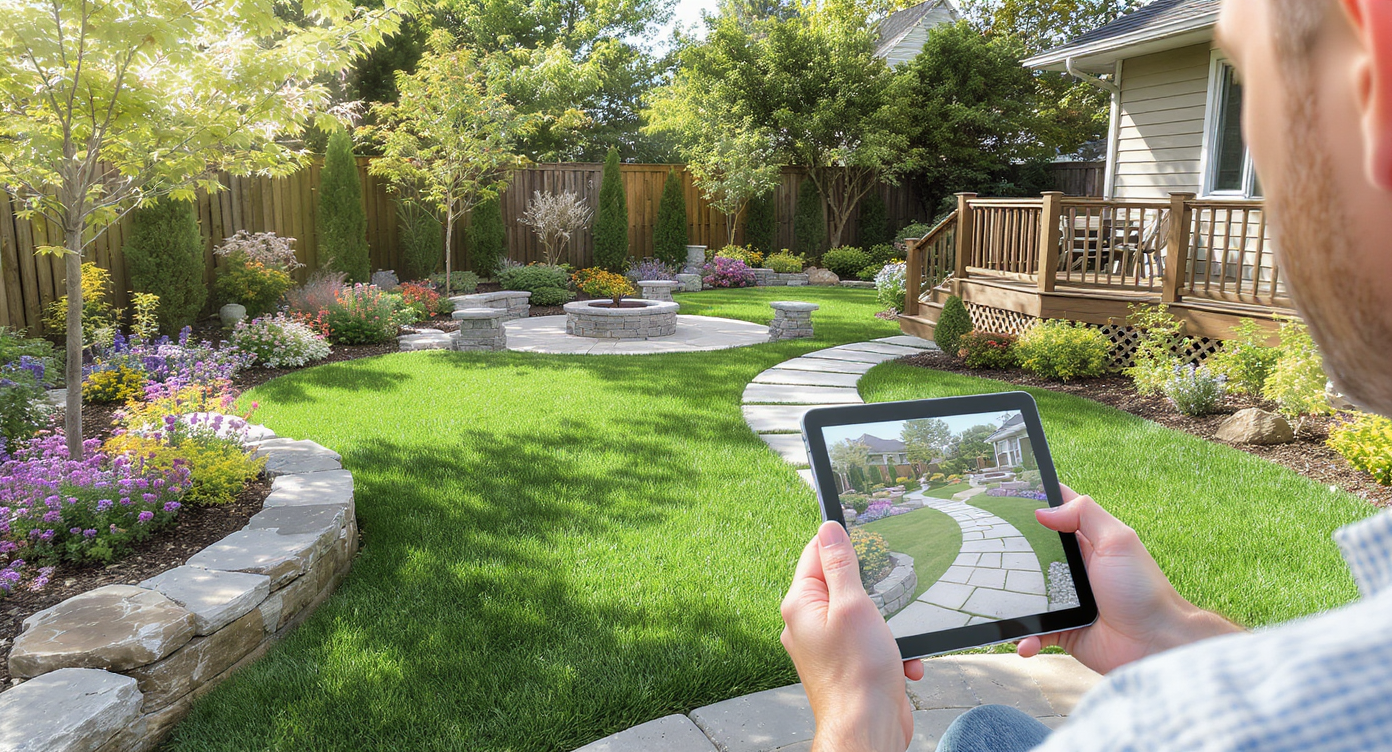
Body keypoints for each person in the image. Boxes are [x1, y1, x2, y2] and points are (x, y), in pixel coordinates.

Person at [779, 0, 1392, 749]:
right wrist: (1169, 633)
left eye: (1246, 77)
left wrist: (853, 718)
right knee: (986, 727)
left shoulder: (1148, 731)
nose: (1254, 142)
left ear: (1375, 79)